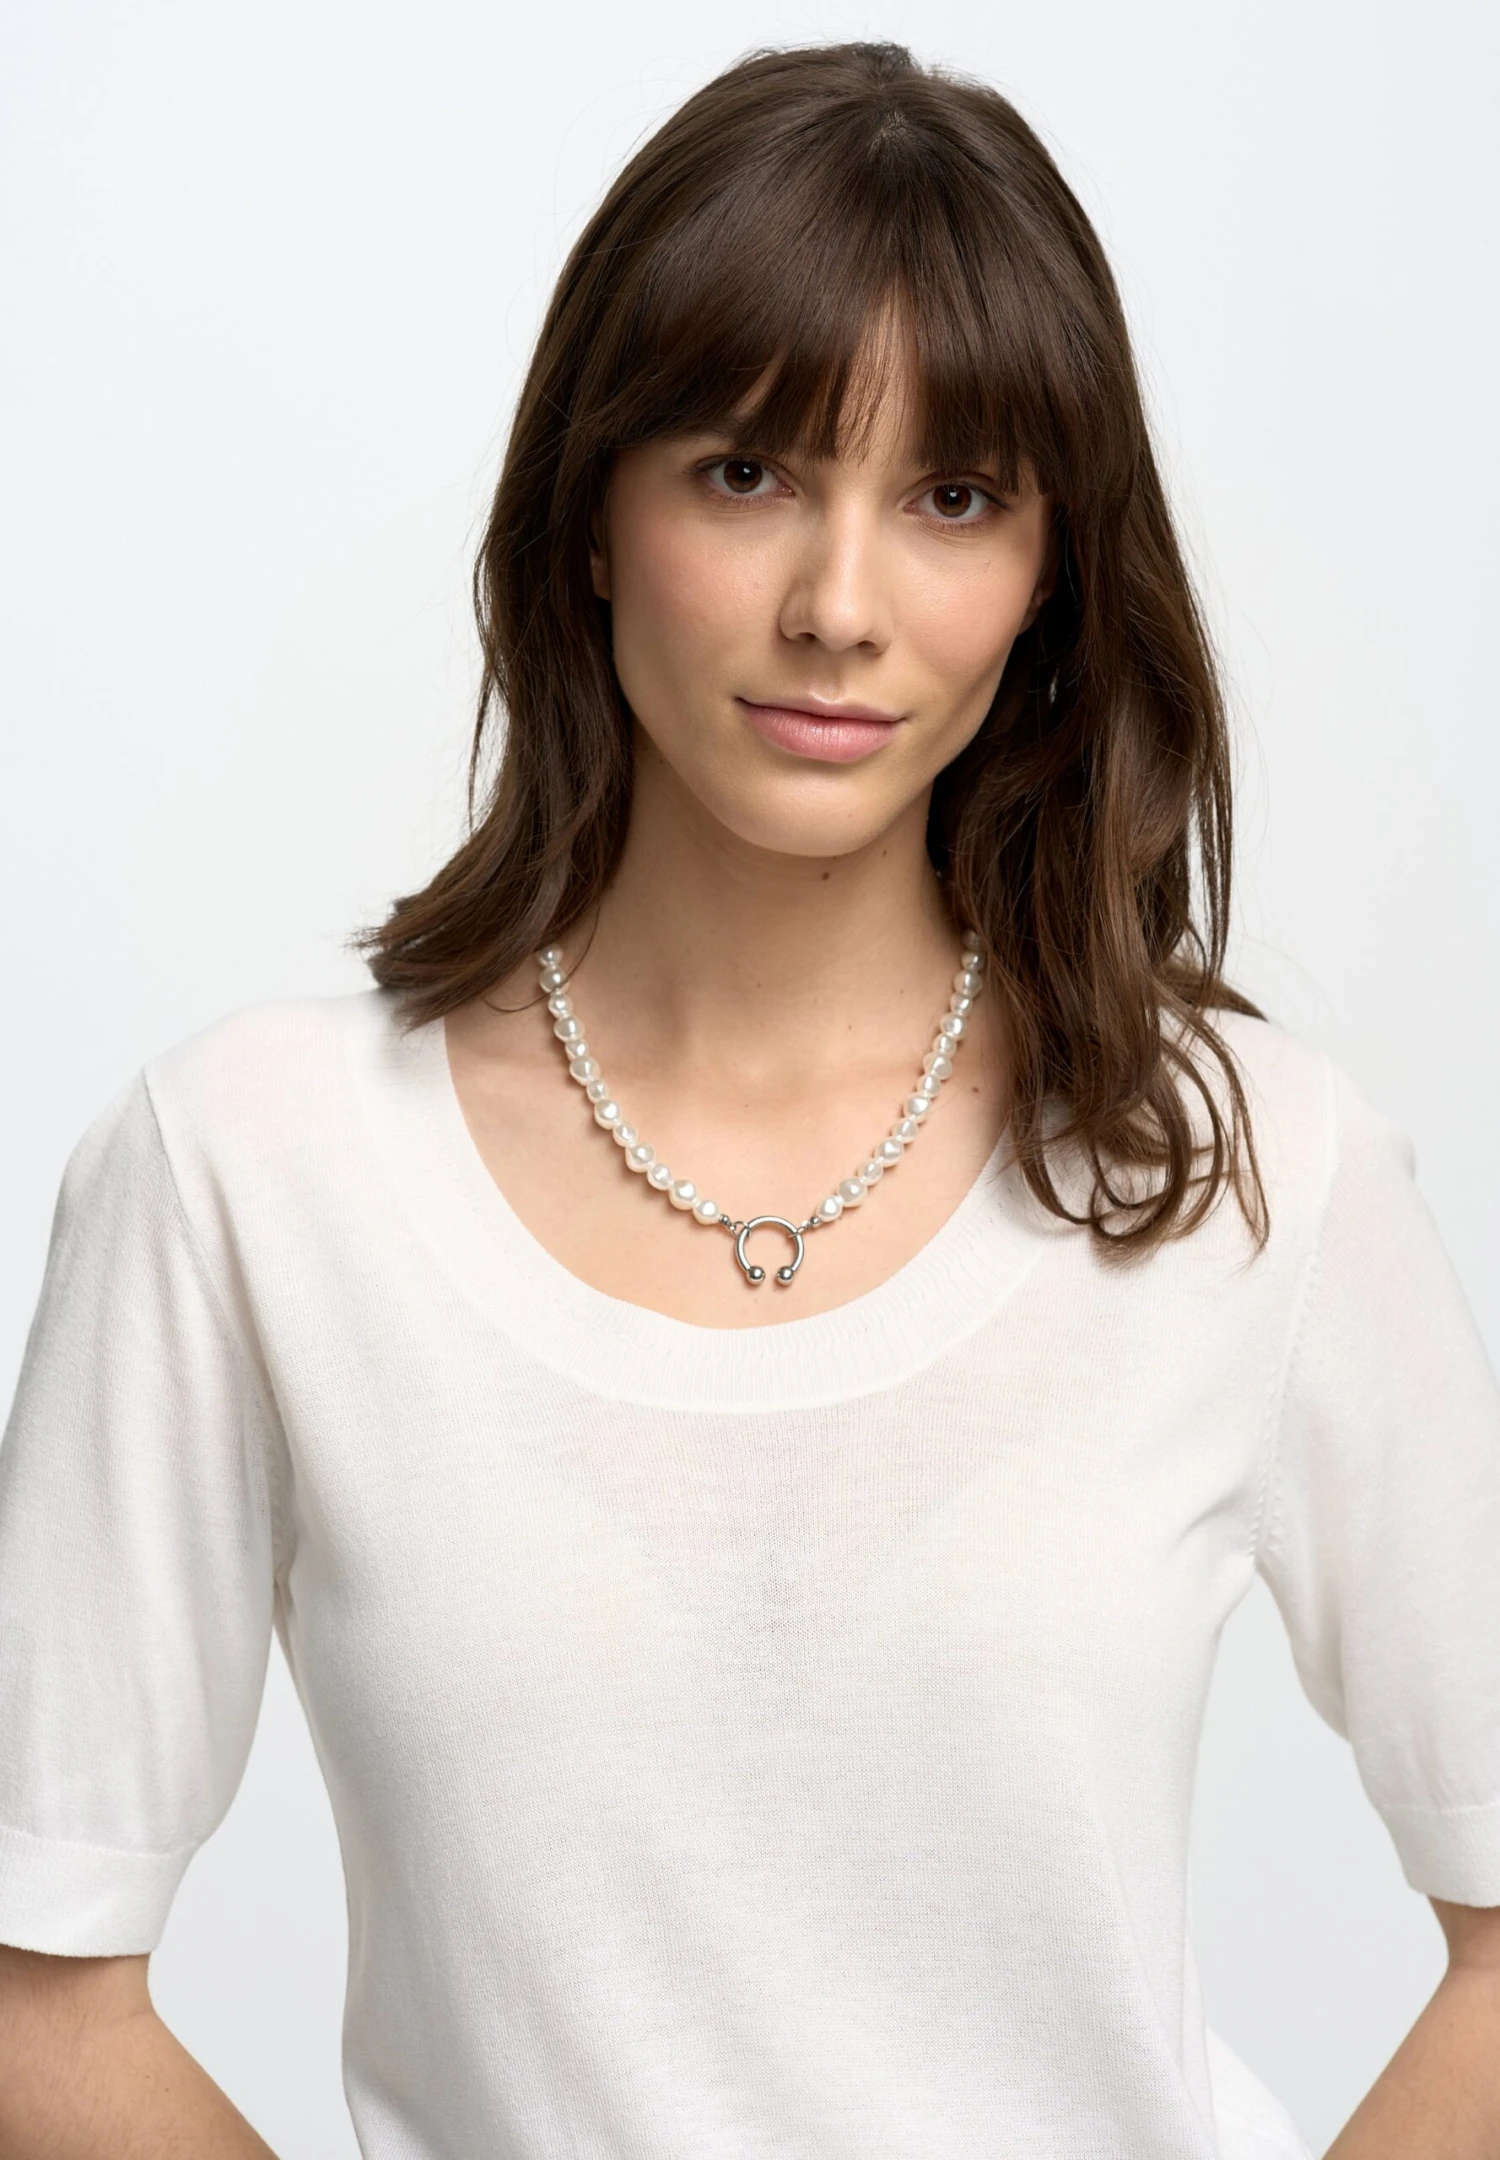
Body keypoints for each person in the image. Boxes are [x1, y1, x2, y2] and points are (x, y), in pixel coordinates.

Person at [0, 38, 1496, 2160]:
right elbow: (38, 1993)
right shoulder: (247, 1168)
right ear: (590, 521)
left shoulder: (1248, 1170)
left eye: (955, 499)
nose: (839, 610)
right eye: (745, 473)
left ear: (1054, 575)